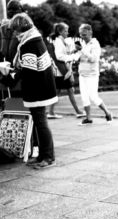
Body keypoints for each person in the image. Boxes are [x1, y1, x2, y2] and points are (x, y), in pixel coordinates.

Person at [1, 13, 58, 169]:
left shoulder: (29, 44)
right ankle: (42, 155)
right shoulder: (34, 39)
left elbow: (29, 71)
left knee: (41, 123)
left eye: (14, 30)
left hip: (37, 89)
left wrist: (10, 76)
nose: (14, 34)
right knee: (40, 122)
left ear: (20, 29)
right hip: (42, 86)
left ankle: (48, 157)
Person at [76, 24, 112, 125]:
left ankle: (107, 113)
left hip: (92, 75)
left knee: (93, 97)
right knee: (84, 97)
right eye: (81, 35)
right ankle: (88, 118)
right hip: (82, 73)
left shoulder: (95, 44)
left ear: (90, 32)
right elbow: (80, 57)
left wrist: (82, 50)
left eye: (84, 34)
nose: (83, 37)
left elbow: (94, 59)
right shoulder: (83, 43)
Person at [47, 22, 84, 119]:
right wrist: (73, 56)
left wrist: (74, 50)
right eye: (65, 31)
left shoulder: (62, 41)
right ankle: (78, 111)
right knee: (70, 90)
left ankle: (51, 112)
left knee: (59, 91)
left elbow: (66, 52)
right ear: (60, 32)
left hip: (61, 71)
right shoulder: (59, 42)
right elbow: (59, 56)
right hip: (62, 71)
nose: (67, 32)